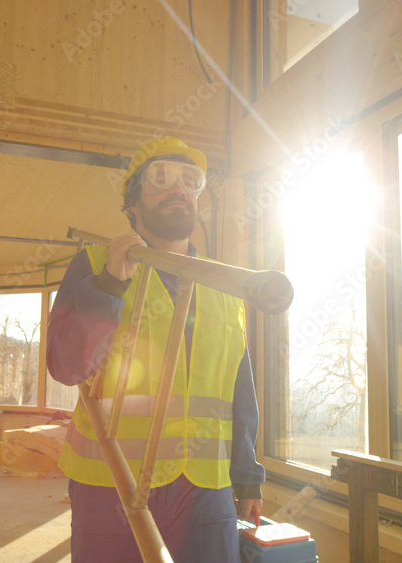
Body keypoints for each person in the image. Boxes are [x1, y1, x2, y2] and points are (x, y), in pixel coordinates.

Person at [47, 136, 265, 562]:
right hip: (110, 481)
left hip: (206, 486)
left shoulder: (223, 283)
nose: (178, 188)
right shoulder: (93, 265)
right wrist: (110, 284)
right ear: (132, 203)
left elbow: (239, 387)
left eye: (191, 180)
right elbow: (66, 365)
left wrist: (248, 477)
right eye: (160, 178)